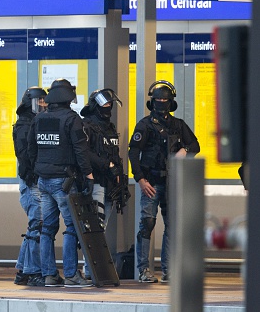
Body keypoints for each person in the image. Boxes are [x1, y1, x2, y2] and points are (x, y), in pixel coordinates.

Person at [128, 80, 200, 283]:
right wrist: (140, 179)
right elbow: (134, 153)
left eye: (165, 100)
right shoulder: (145, 124)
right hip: (150, 182)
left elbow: (195, 144)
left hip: (172, 183)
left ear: (171, 102)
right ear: (152, 102)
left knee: (172, 226)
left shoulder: (177, 124)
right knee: (147, 224)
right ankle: (143, 270)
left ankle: (169, 270)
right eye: (158, 100)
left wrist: (185, 150)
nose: (161, 103)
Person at [27, 78, 94, 288]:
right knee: (72, 227)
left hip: (43, 180)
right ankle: (72, 274)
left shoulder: (39, 119)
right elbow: (80, 150)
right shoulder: (71, 119)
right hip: (63, 181)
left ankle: (49, 275)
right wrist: (88, 175)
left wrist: (38, 167)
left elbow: (31, 148)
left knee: (47, 228)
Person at [79, 88, 124, 281]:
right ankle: (90, 270)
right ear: (95, 106)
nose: (108, 108)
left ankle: (93, 269)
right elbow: (85, 153)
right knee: (94, 227)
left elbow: (114, 153)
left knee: (101, 227)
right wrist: (107, 165)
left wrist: (118, 174)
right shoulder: (86, 126)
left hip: (110, 184)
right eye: (104, 105)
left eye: (110, 105)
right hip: (95, 182)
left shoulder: (110, 127)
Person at [12, 86, 47, 286]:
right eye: (38, 101)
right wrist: (34, 174)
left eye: (44, 101)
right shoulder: (24, 125)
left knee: (35, 225)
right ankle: (34, 271)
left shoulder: (37, 123)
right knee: (38, 224)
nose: (41, 105)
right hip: (31, 182)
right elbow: (24, 155)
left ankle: (22, 271)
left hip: (37, 181)